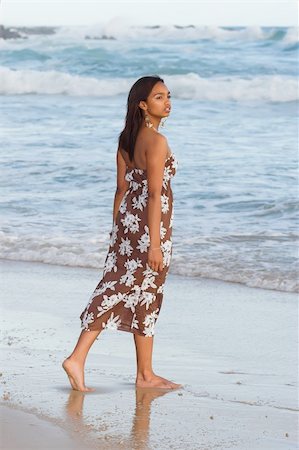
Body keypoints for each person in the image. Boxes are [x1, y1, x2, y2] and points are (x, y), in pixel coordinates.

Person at [62, 75, 181, 392]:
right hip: (150, 228)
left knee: (133, 289)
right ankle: (77, 357)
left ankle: (145, 374)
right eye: (158, 97)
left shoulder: (126, 140)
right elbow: (155, 195)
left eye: (168, 96)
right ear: (143, 105)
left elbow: (121, 189)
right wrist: (154, 245)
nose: (166, 102)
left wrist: (118, 232)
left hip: (128, 223)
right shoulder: (157, 142)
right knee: (134, 289)